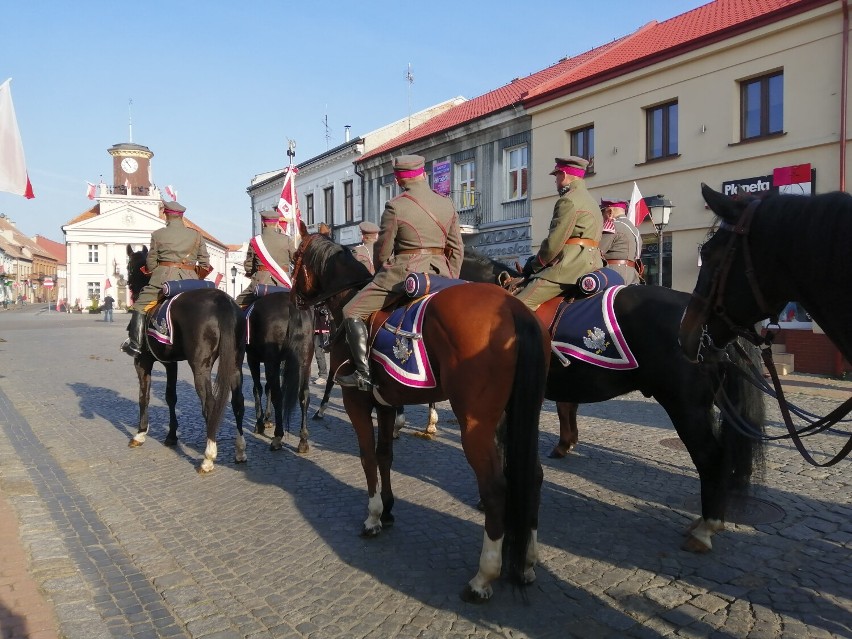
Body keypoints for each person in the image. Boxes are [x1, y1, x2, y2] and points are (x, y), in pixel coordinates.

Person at [338, 154, 463, 390]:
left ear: (398, 180)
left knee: (350, 309)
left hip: (405, 275)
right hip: (442, 274)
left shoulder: (395, 206)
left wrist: (380, 272)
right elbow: (457, 248)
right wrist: (450, 278)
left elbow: (383, 251)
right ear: (424, 175)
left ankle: (363, 374)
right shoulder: (446, 204)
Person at [122, 200, 211, 357]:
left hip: (164, 280)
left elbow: (150, 263)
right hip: (192, 282)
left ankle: (135, 344)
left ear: (167, 215)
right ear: (181, 216)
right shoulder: (196, 235)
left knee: (140, 306)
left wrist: (159, 272)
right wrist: (194, 277)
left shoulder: (158, 234)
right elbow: (205, 263)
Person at [515, 156, 603, 311]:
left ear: (564, 174)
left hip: (570, 267)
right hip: (592, 264)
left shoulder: (568, 200)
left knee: (514, 307)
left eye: (556, 176)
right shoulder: (590, 200)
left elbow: (553, 244)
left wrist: (534, 265)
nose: (555, 181)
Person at [235, 208, 294, 308]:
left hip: (260, 283)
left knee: (237, 304)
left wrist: (252, 273)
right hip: (284, 284)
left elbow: (248, 266)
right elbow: (296, 259)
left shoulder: (255, 241)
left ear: (263, 223)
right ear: (276, 224)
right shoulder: (286, 240)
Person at [598, 199, 642, 285]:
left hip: (613, 276)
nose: (602, 217)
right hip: (633, 277)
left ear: (610, 212)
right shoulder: (634, 230)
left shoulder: (613, 226)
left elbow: (597, 251)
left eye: (603, 213)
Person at [312, 305, 332, 384]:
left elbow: (326, 313)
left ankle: (323, 376)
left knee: (319, 353)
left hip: (321, 330)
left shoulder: (323, 303)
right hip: (311, 329)